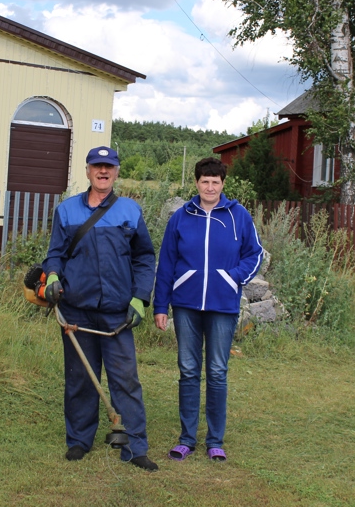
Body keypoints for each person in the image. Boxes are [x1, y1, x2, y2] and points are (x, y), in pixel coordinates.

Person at [41, 146, 159, 471]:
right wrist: (52, 275)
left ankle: (135, 448)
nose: (103, 172)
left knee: (126, 380)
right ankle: (79, 441)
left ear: (117, 172)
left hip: (117, 313)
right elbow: (55, 254)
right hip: (76, 310)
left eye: (109, 167)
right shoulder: (66, 211)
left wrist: (140, 297)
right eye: (97, 166)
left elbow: (144, 258)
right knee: (80, 379)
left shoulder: (130, 211)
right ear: (88, 170)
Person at [152, 157, 263, 463]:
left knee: (216, 371)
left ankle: (215, 439)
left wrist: (232, 277)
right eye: (205, 181)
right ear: (197, 183)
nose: (210, 187)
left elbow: (254, 254)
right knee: (188, 370)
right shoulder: (181, 217)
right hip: (185, 305)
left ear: (223, 184)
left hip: (223, 306)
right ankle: (187, 438)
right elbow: (166, 265)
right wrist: (161, 305)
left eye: (216, 182)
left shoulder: (238, 216)